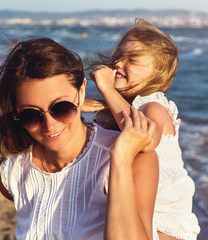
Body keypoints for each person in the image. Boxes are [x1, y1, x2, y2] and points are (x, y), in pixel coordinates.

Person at [0, 37, 159, 239]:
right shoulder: (13, 175)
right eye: (32, 114)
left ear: (81, 93)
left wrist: (119, 158)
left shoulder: (134, 160)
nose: (49, 126)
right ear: (17, 112)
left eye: (61, 108)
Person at [82, 19, 200, 240]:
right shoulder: (121, 108)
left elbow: (145, 138)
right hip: (129, 215)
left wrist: (107, 88)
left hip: (165, 223)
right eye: (118, 56)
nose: (118, 63)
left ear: (158, 72)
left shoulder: (155, 106)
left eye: (132, 60)